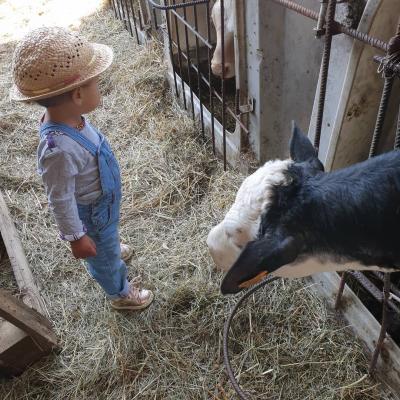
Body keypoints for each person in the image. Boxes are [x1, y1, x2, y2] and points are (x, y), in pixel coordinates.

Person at [10, 26, 154, 311]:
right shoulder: (58, 150)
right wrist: (77, 238)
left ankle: (107, 246)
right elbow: (60, 198)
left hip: (102, 207)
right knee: (105, 261)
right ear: (77, 94)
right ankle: (120, 294)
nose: (99, 89)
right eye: (96, 84)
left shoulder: (70, 117)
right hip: (92, 212)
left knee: (107, 239)